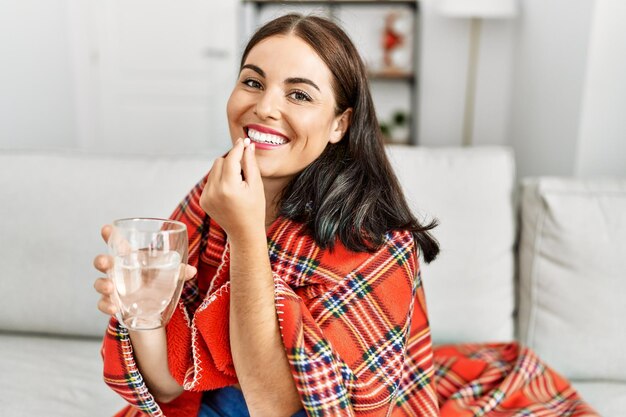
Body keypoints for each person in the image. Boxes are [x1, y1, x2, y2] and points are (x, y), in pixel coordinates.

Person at [94, 13, 599, 417]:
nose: (265, 107)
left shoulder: (375, 240)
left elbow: (274, 405)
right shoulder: (214, 193)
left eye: (298, 94)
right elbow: (167, 385)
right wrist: (145, 313)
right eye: (253, 82)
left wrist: (246, 236)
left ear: (339, 123)